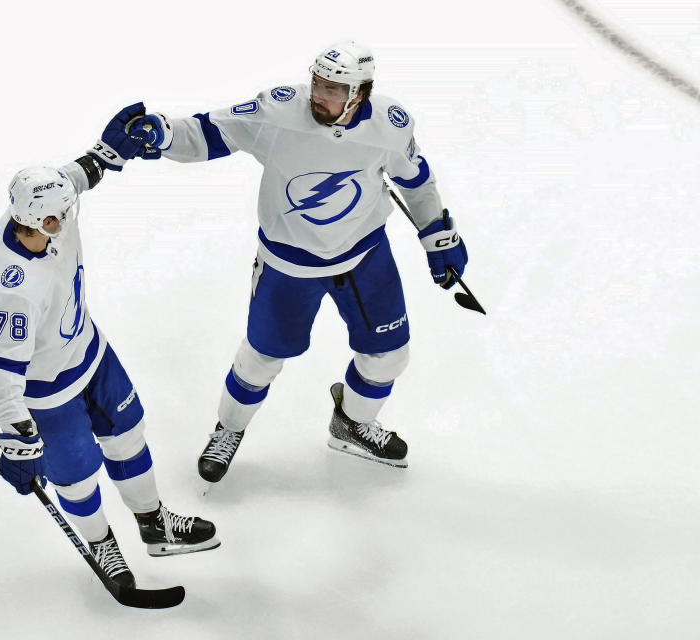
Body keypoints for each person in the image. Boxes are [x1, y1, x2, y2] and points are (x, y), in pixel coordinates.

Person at [116, 41, 469, 489]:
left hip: (365, 256)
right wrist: (163, 134)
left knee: (389, 354)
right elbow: (210, 133)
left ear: (360, 93)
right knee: (262, 357)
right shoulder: (279, 111)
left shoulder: (390, 125)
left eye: (333, 89)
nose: (319, 95)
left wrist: (436, 234)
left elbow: (416, 181)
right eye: (317, 83)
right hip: (287, 264)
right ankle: (228, 430)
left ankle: (352, 425)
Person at [0, 107, 219, 589]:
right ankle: (102, 544)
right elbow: (0, 376)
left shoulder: (36, 205)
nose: (69, 217)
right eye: (60, 217)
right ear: (42, 222)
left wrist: (105, 156)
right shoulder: (13, 291)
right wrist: (17, 438)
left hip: (90, 353)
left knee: (128, 432)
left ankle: (153, 523)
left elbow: (74, 178)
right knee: (78, 476)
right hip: (48, 393)